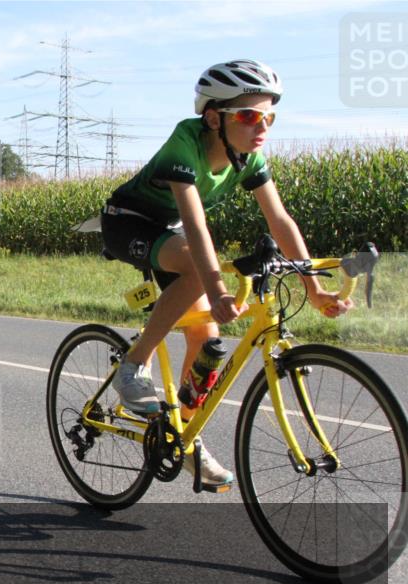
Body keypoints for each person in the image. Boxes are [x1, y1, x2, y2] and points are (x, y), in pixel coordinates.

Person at [100, 59, 352, 487]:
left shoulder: (248, 159)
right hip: (128, 220)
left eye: (269, 116)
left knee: (206, 343)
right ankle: (133, 366)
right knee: (202, 271)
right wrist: (216, 287)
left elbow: (280, 220)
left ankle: (186, 441)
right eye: (250, 115)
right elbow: (196, 224)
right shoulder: (186, 141)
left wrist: (312, 288)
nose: (263, 126)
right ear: (215, 117)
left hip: (172, 231)